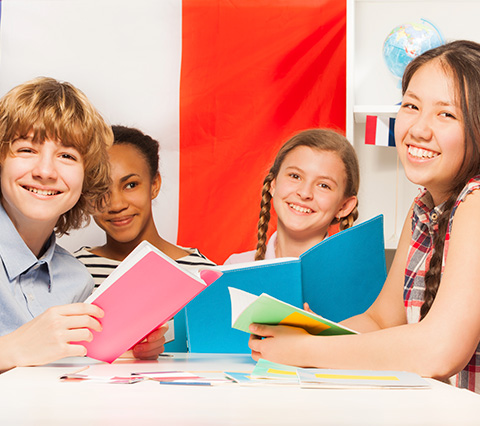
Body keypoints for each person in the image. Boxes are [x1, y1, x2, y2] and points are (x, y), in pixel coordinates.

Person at [248, 40, 480, 393]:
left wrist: (307, 349)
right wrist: (306, 331)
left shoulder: (476, 204)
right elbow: (381, 319)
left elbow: (440, 351)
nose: (418, 129)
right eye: (411, 106)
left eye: (445, 114)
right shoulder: (422, 210)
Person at [0, 78, 166, 372]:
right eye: (26, 150)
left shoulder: (77, 280)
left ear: (87, 179)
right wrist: (10, 349)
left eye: (67, 156)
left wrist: (119, 350)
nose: (46, 171)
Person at [74, 125, 215, 288]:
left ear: (154, 184)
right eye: (99, 189)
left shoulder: (203, 275)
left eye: (130, 185)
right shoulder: (67, 273)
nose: (116, 204)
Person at [224, 128, 359, 264]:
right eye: (295, 176)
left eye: (323, 185)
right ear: (273, 184)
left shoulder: (360, 279)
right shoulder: (234, 267)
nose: (305, 193)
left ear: (344, 206)